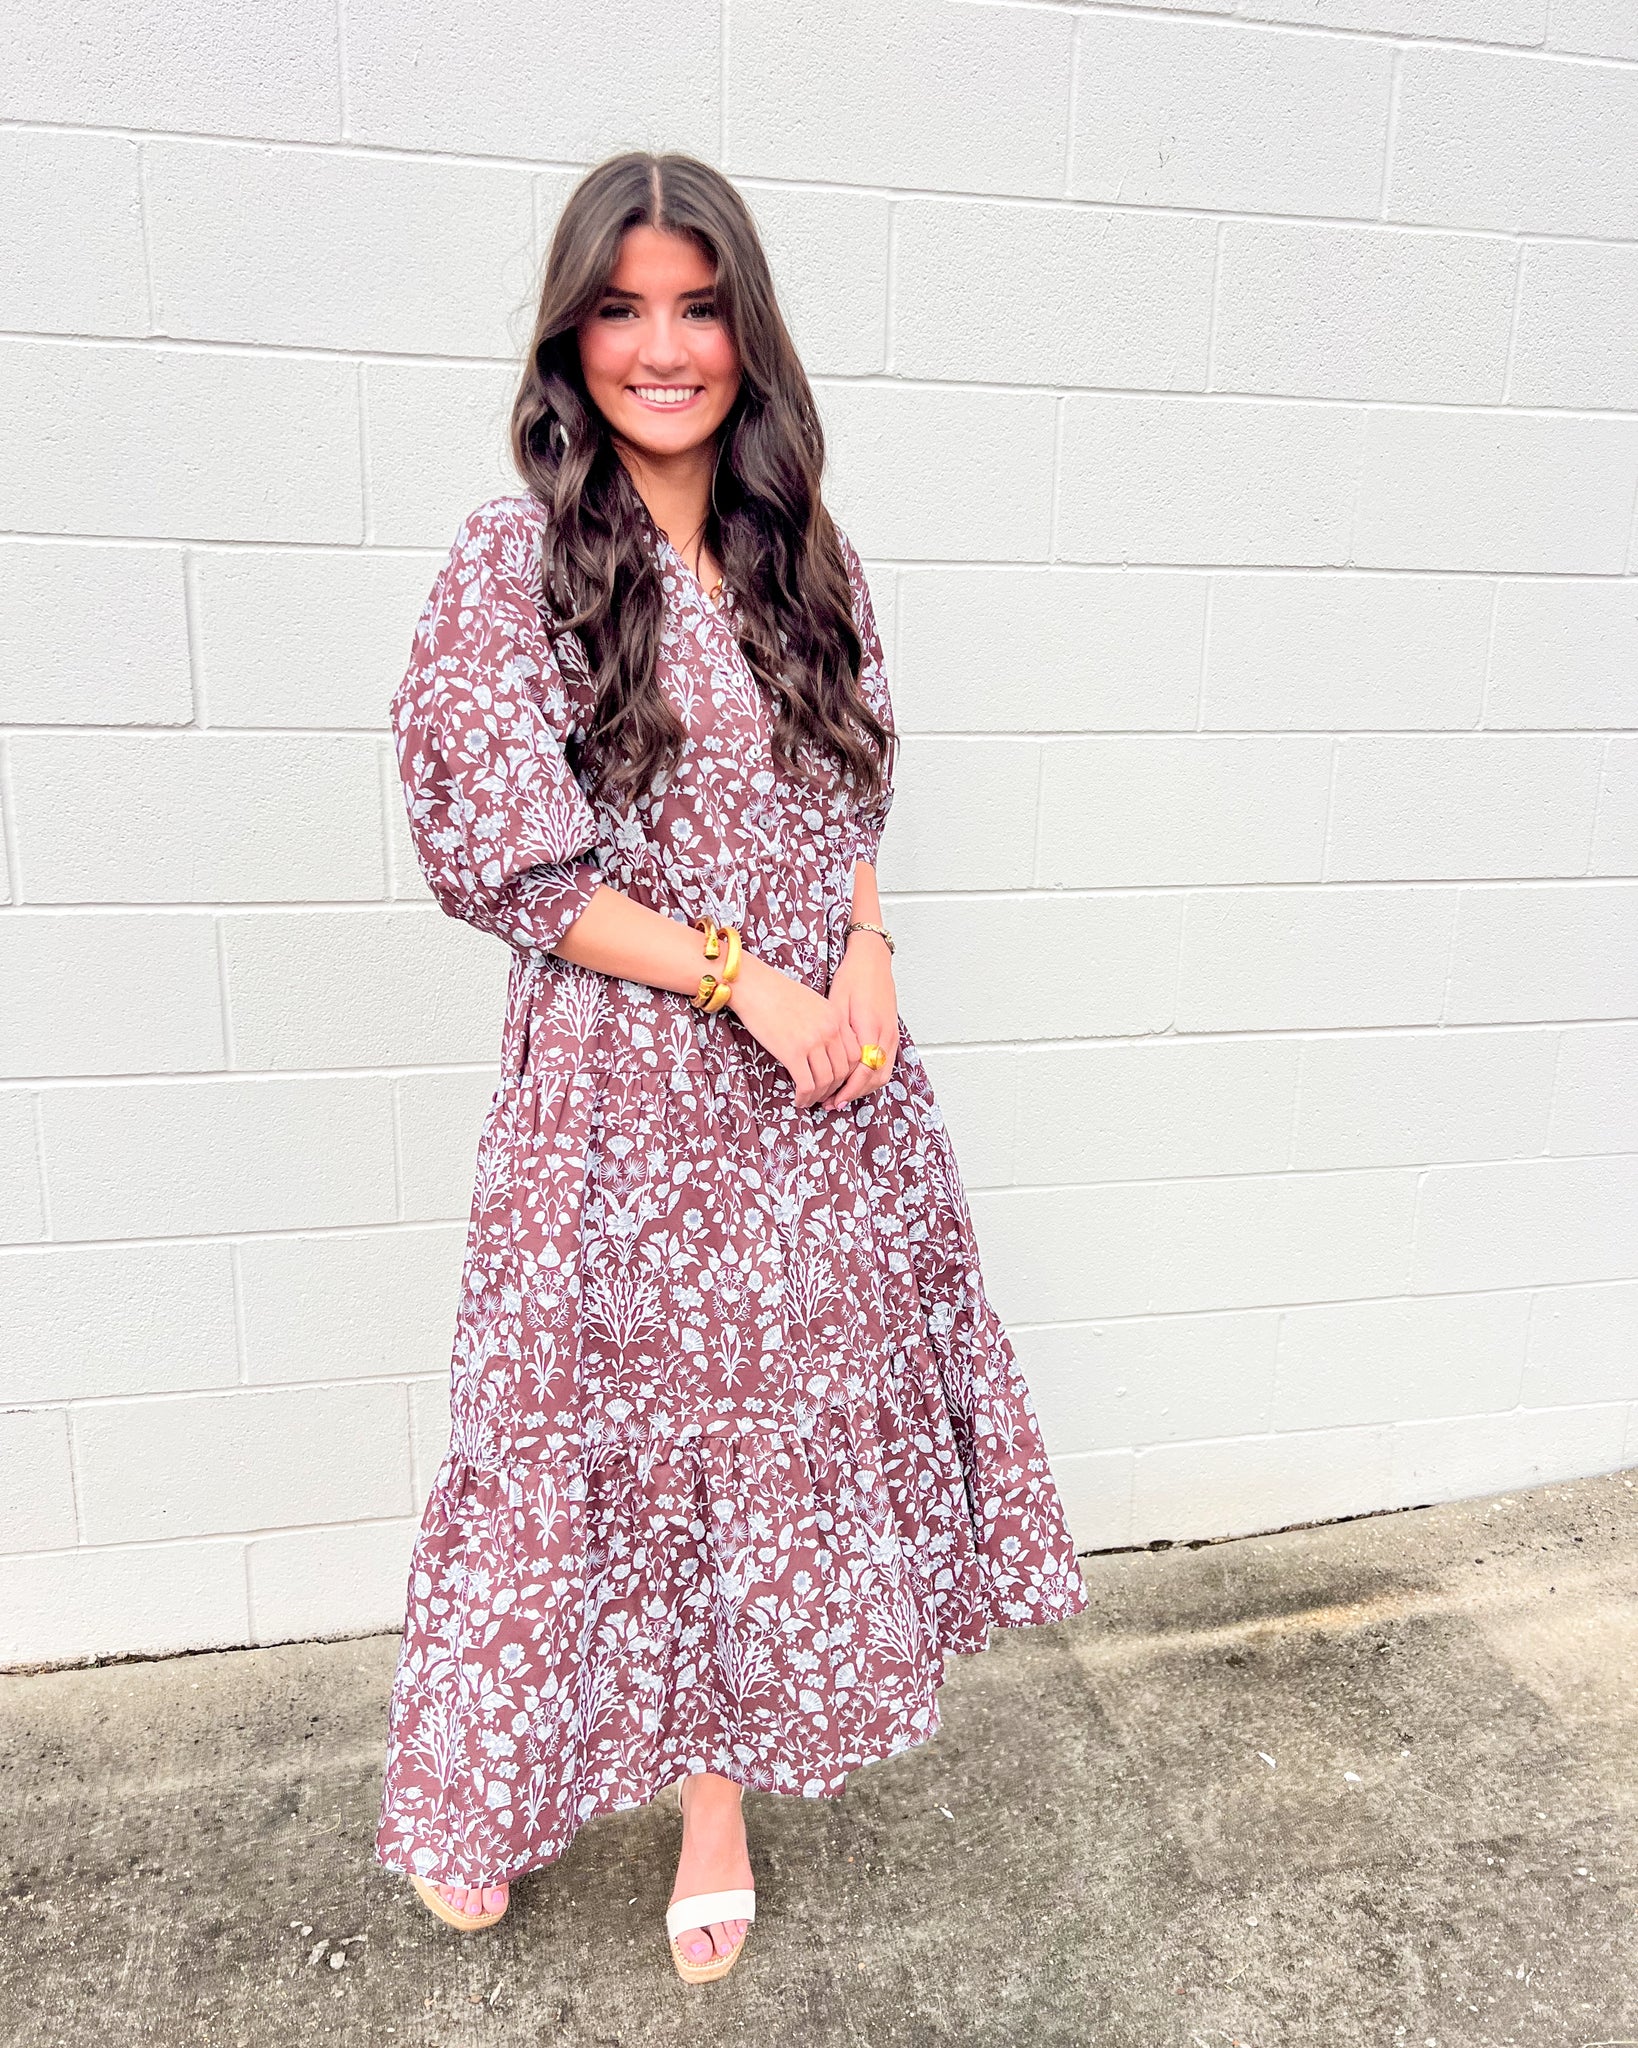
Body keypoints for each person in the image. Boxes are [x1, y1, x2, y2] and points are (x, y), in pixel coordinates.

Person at [377, 149, 1089, 1983]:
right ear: (569, 337)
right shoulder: (512, 565)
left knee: (756, 1463)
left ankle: (714, 1809)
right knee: (561, 1450)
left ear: (745, 332)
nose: (662, 346)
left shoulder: (807, 560)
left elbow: (850, 800)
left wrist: (865, 952)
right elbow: (507, 864)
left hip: (814, 1101)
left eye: (698, 307)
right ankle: (479, 1794)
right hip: (623, 1104)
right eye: (620, 307)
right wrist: (737, 978)